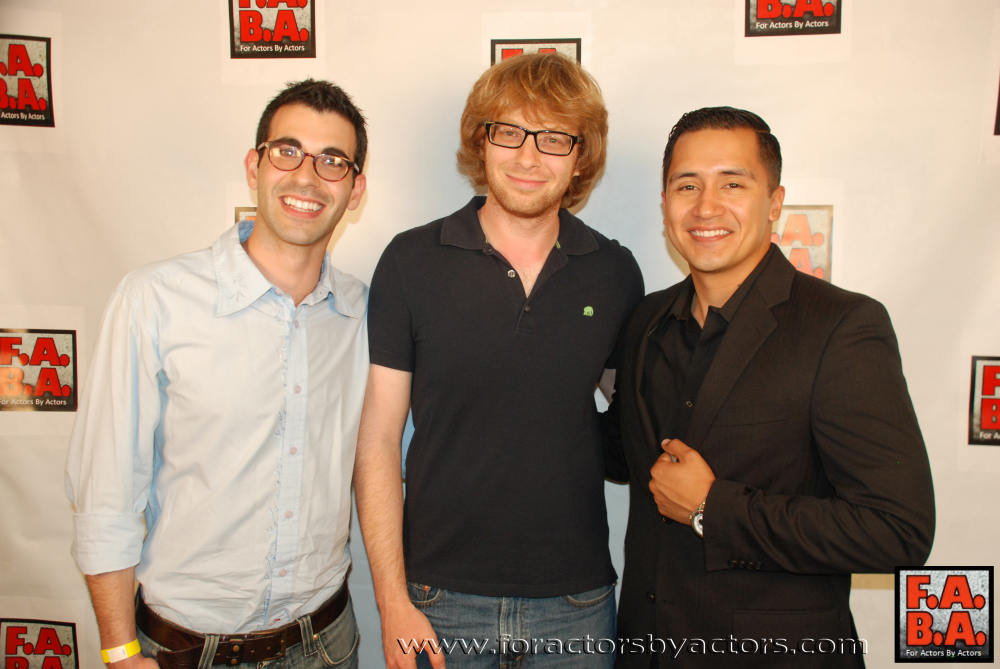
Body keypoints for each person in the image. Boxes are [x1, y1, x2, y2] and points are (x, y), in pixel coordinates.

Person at [604, 107, 935, 669]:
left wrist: (714, 508)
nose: (706, 206)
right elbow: (619, 453)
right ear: (665, 205)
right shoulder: (645, 321)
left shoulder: (842, 327)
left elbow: (897, 531)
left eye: (732, 183)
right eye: (687, 185)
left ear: (775, 203)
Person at [65, 79, 369, 669]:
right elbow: (106, 492)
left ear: (355, 190)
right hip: (182, 651)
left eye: (333, 161)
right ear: (254, 164)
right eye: (288, 151)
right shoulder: (154, 299)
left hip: (328, 644)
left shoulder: (363, 313)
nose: (307, 177)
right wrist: (120, 650)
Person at [354, 52, 644, 669]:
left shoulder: (615, 274)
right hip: (437, 602)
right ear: (480, 143)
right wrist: (393, 601)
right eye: (508, 132)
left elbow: (633, 416)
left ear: (580, 155)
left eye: (554, 137)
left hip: (576, 602)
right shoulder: (411, 262)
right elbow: (377, 440)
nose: (529, 156)